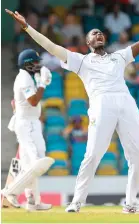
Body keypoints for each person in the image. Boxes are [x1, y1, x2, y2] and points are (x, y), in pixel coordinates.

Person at [6, 8, 139, 214]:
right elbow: (51, 47)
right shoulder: (81, 61)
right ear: (88, 42)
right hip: (101, 105)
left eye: (100, 33)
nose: (98, 34)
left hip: (126, 103)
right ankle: (77, 201)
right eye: (93, 33)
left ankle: (131, 203)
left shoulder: (120, 56)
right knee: (93, 154)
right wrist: (27, 27)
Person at [3, 49, 54, 211]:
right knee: (37, 162)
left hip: (32, 123)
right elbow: (33, 101)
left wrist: (39, 81)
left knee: (31, 162)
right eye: (35, 63)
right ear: (27, 64)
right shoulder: (23, 78)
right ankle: (11, 192)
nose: (38, 65)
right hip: (26, 124)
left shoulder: (28, 77)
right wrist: (42, 84)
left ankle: (33, 201)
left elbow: (16, 101)